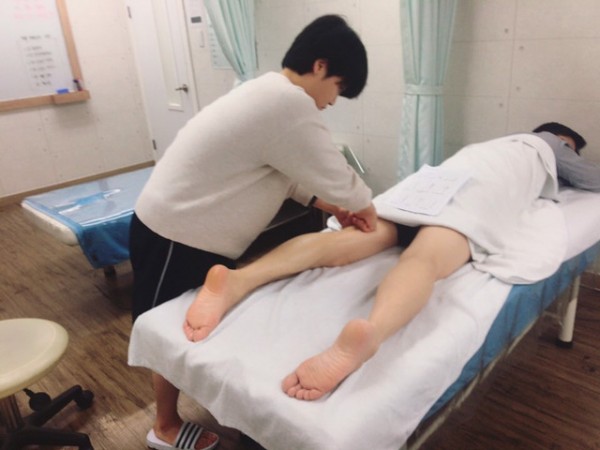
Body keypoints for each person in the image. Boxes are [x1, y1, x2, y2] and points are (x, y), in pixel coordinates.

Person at [183, 122, 600, 401]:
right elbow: (590, 179)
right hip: (477, 197)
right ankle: (371, 334)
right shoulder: (548, 145)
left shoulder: (491, 145)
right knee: (424, 259)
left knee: (346, 240)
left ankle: (240, 279)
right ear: (560, 140)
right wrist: (567, 159)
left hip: (429, 187)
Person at [130, 15, 376, 450]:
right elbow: (340, 178)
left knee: (192, 323)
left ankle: (197, 415)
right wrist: (365, 207)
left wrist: (335, 206)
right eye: (338, 87)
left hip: (185, 231)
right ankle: (164, 427)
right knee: (170, 331)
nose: (333, 101)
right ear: (320, 66)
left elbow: (284, 174)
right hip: (174, 232)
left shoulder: (267, 92)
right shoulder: (289, 105)